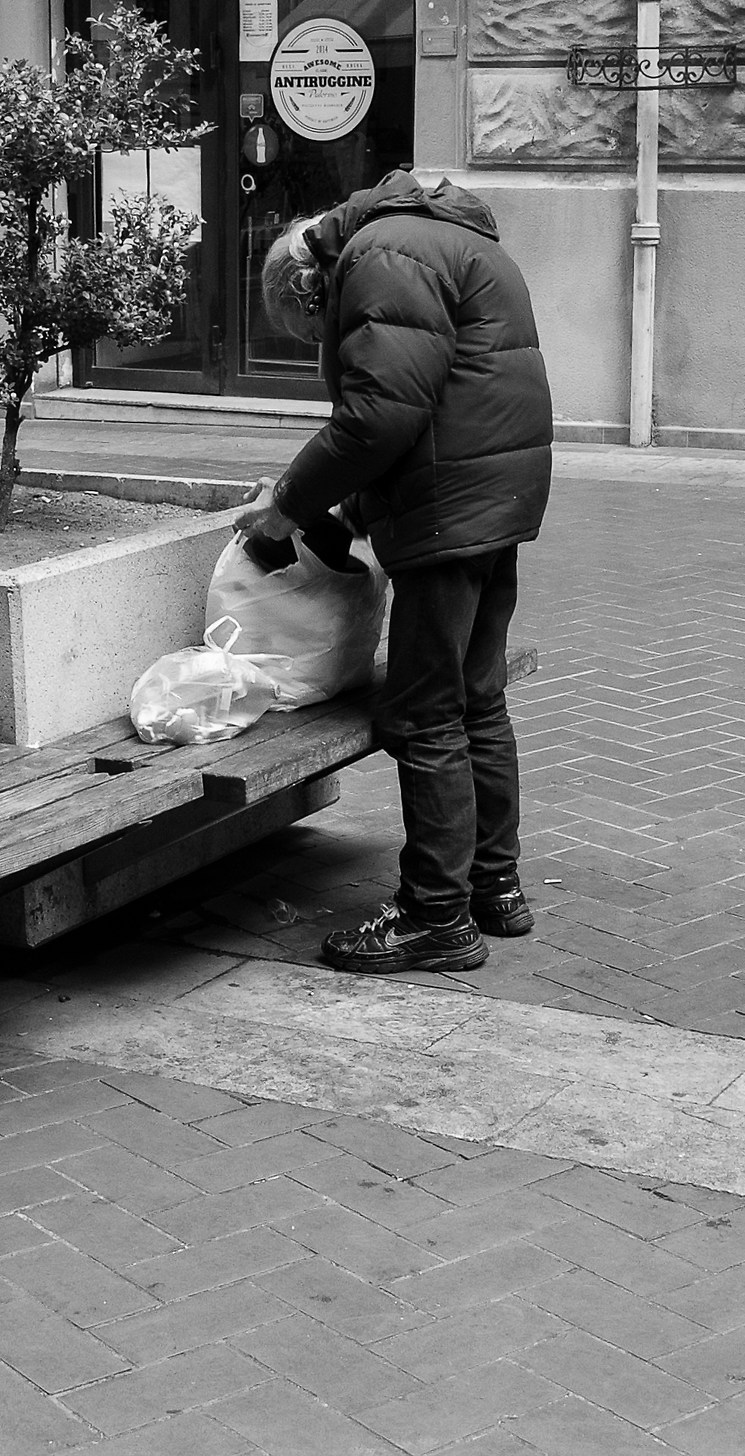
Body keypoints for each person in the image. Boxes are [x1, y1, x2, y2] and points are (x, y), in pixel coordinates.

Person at [236, 170, 553, 975]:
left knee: (424, 716)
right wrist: (352, 514)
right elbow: (440, 397)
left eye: (315, 333)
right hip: (493, 499)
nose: (322, 345)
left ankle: (435, 918)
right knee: (477, 699)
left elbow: (378, 414)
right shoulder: (442, 236)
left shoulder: (379, 257)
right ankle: (495, 887)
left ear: (310, 285)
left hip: (450, 515)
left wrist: (287, 507)